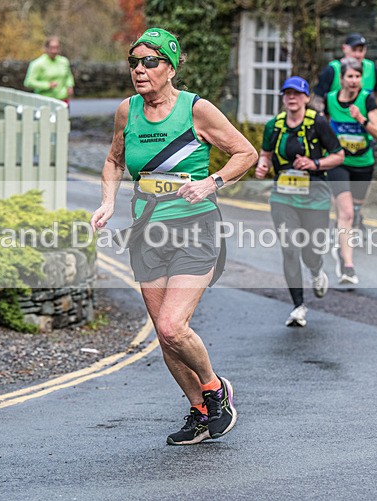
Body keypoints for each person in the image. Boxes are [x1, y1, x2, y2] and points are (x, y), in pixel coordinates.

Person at [90, 28, 257, 445]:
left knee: (171, 325)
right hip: (146, 228)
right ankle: (199, 411)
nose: (140, 70)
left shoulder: (196, 109)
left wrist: (212, 181)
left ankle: (215, 389)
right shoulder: (127, 112)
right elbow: (113, 161)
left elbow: (246, 153)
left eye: (150, 62)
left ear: (171, 67)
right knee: (164, 336)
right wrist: (108, 202)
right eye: (134, 62)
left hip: (195, 226)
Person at [255, 77, 345, 327]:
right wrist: (262, 166)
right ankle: (298, 306)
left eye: (297, 93)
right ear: (283, 97)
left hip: (314, 196)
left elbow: (339, 155)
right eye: (287, 94)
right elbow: (266, 154)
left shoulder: (318, 123)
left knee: (311, 250)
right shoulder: (275, 126)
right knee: (290, 248)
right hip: (283, 196)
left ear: (306, 97)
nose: (292, 98)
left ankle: (316, 270)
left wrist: (314, 164)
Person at [323, 57, 377, 285]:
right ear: (342, 79)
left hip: (363, 163)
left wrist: (361, 118)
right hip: (339, 163)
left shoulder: (367, 100)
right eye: (350, 76)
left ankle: (349, 228)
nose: (354, 80)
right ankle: (348, 266)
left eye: (358, 76)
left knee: (355, 211)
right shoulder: (330, 100)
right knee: (345, 213)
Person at [24, 36, 75, 104]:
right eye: (52, 48)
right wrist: (47, 85)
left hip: (62, 100)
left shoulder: (64, 61)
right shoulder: (37, 64)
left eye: (57, 48)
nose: (54, 51)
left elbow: (68, 76)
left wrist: (69, 85)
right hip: (45, 100)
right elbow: (28, 82)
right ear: (46, 48)